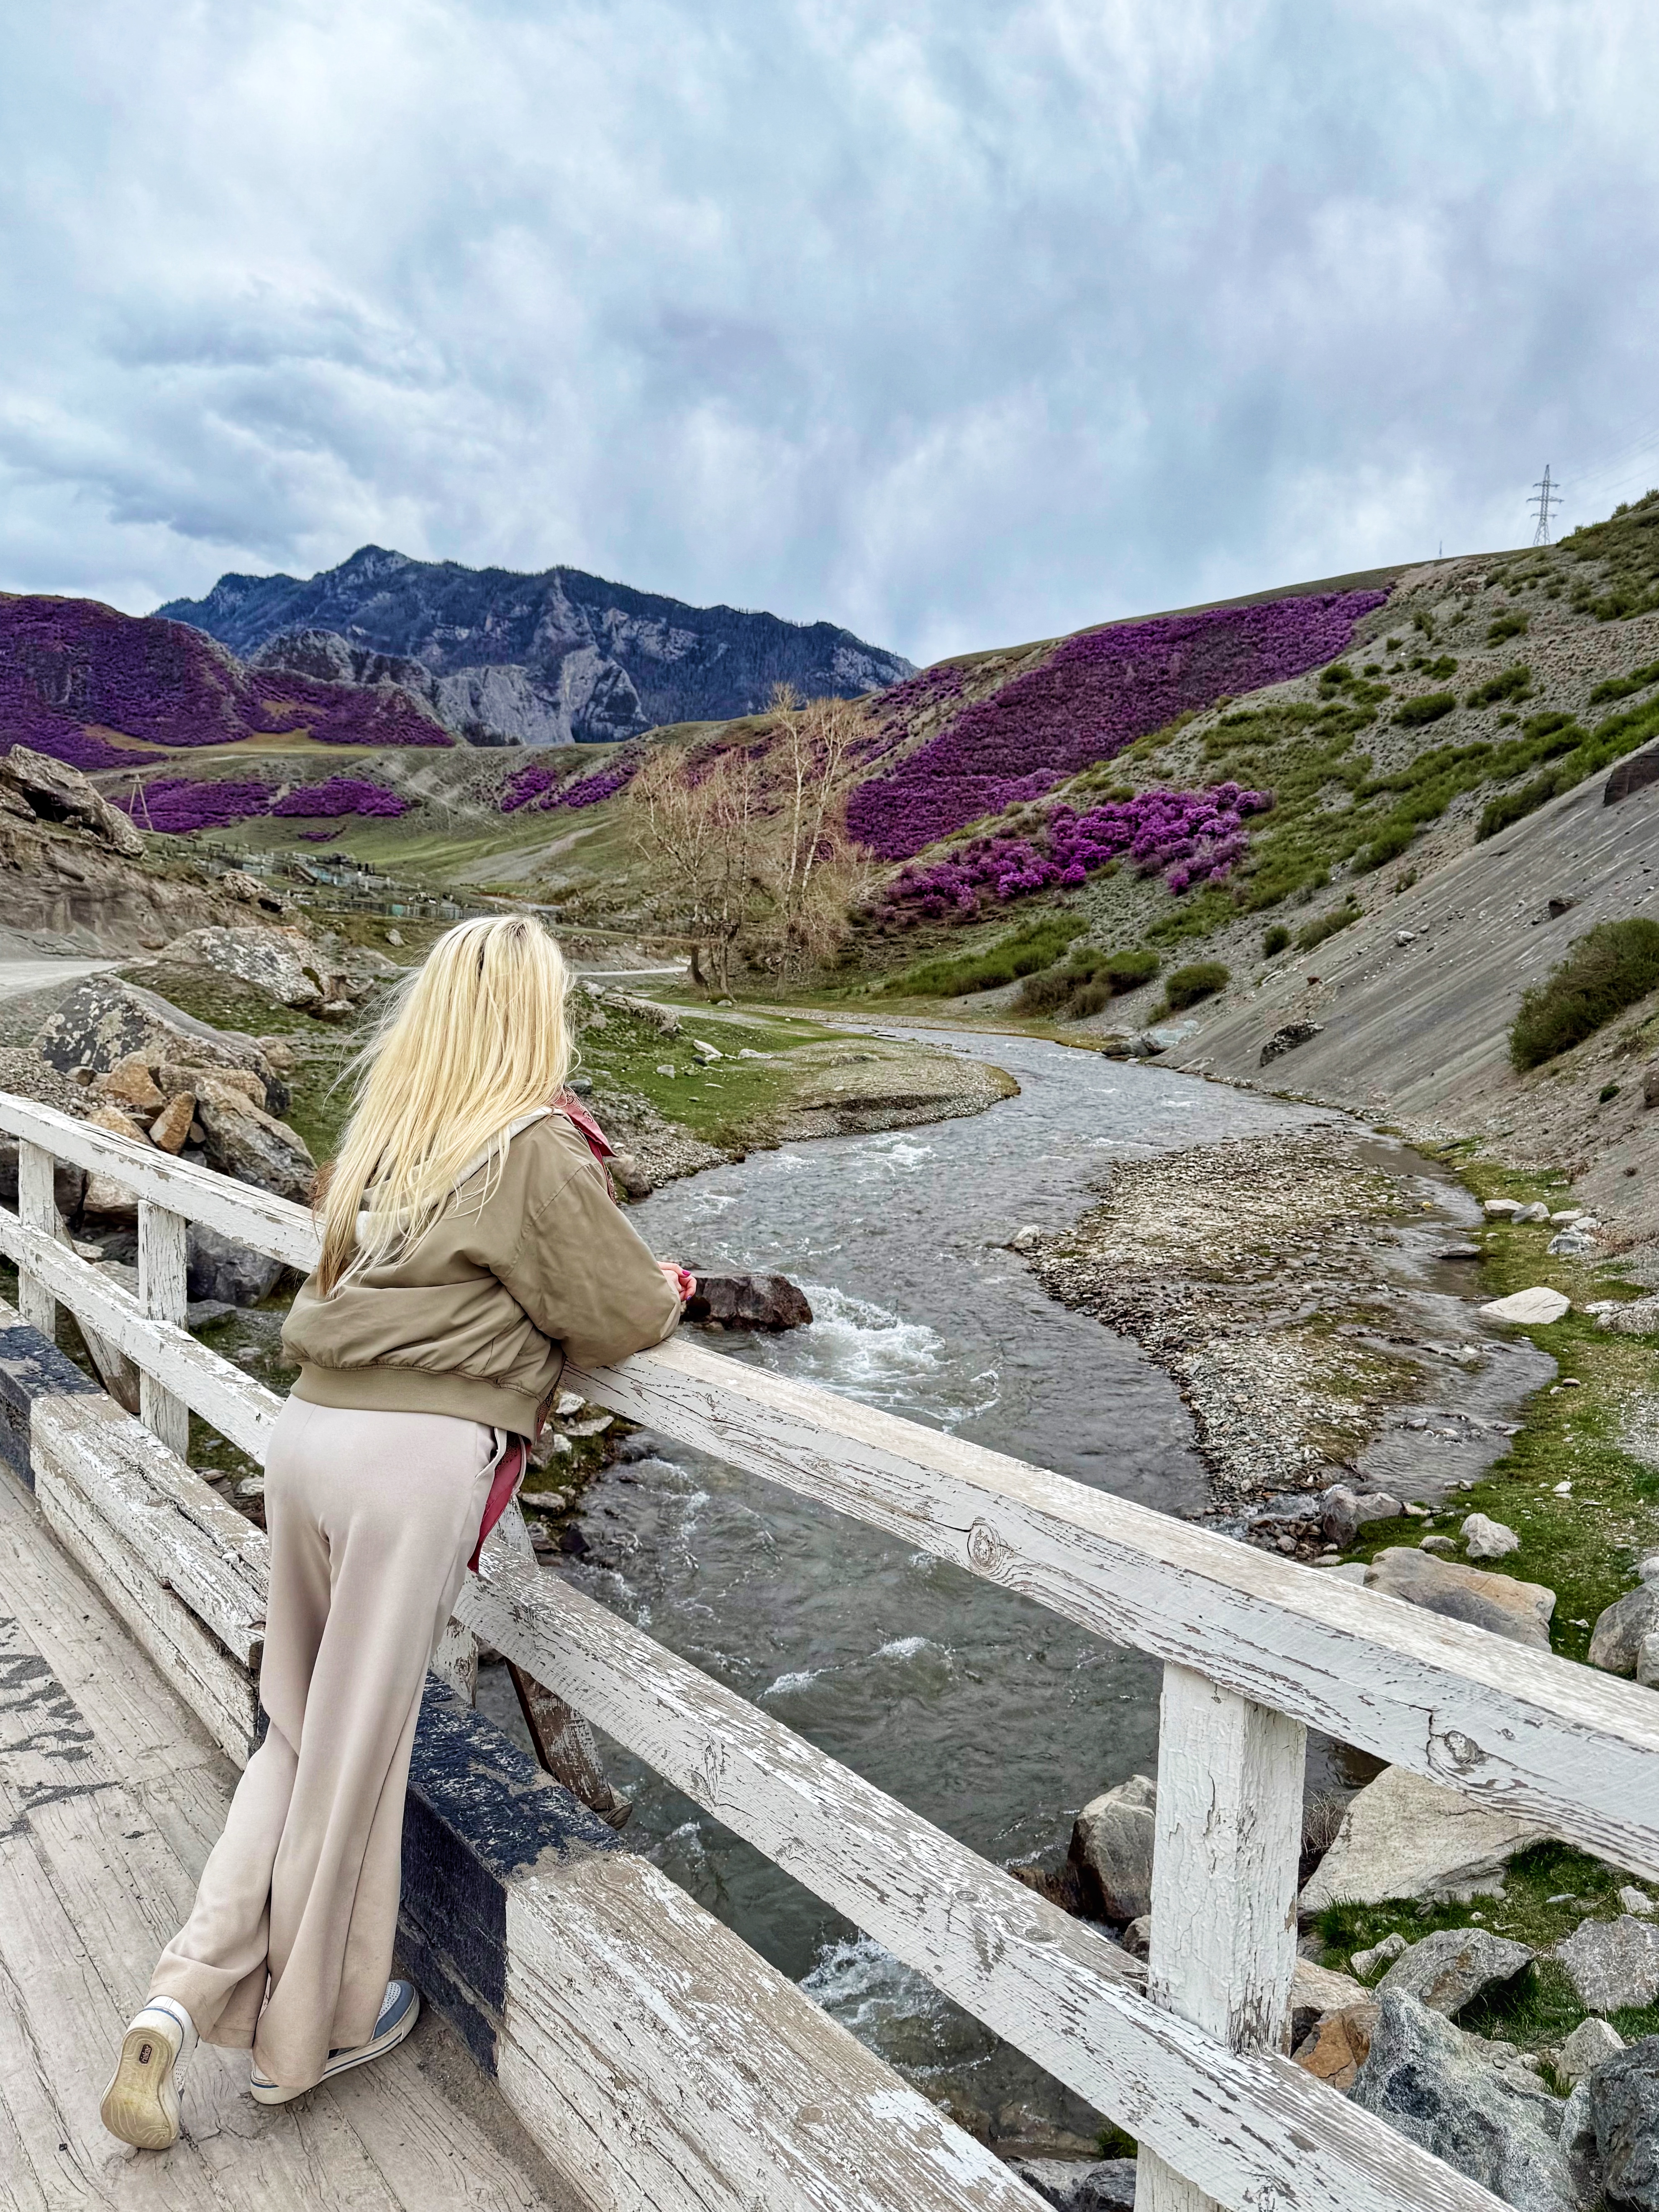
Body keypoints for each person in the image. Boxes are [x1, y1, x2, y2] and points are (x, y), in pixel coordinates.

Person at [101, 916, 690, 2149]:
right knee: (358, 1757)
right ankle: (304, 2037)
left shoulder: (392, 1134)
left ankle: (176, 2000)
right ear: (533, 1016)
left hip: (311, 1435)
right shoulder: (532, 1143)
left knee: (300, 1728)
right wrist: (679, 1287)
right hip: (409, 1463)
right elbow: (620, 1310)